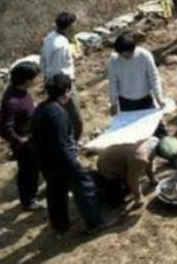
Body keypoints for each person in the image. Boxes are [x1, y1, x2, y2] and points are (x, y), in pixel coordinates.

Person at [30, 73, 108, 234]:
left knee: (56, 191)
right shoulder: (58, 113)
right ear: (65, 91)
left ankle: (60, 225)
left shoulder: (41, 108)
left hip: (45, 161)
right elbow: (60, 144)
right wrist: (74, 161)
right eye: (69, 90)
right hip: (63, 161)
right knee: (85, 187)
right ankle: (95, 223)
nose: (70, 93)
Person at [0, 62, 43, 211]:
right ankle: (28, 201)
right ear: (26, 80)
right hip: (24, 144)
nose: (36, 81)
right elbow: (4, 128)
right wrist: (20, 141)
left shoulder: (23, 92)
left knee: (34, 169)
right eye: (33, 78)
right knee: (27, 172)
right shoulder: (12, 102)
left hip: (32, 137)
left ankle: (33, 195)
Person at [93, 136, 177, 209]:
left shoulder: (154, 140)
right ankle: (101, 188)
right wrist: (138, 197)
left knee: (133, 176)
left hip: (117, 158)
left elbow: (150, 159)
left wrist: (152, 179)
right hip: (108, 168)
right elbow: (132, 179)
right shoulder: (140, 158)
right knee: (117, 200)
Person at [107, 33, 167, 136]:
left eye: (128, 54)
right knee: (133, 131)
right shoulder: (113, 61)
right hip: (126, 103)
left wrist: (158, 97)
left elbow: (154, 76)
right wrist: (113, 103)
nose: (125, 57)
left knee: (156, 128)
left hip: (145, 100)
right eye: (122, 55)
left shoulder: (144, 56)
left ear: (133, 49)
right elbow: (113, 83)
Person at [40, 12, 83, 141]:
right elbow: (58, 70)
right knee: (75, 118)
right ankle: (73, 142)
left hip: (50, 81)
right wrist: (64, 90)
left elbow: (43, 61)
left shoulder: (50, 38)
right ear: (69, 27)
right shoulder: (61, 45)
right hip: (62, 85)